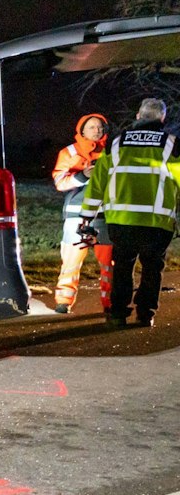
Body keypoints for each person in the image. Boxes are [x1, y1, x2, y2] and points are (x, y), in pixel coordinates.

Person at [80, 98, 180, 328]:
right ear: (162, 119)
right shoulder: (172, 145)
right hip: (157, 222)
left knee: (123, 267)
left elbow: (98, 182)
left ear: (138, 116)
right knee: (152, 268)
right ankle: (146, 314)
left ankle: (118, 314)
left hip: (121, 221)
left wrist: (87, 215)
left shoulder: (116, 143)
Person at [50, 113, 109, 311]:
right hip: (76, 218)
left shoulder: (111, 153)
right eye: (92, 127)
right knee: (70, 263)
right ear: (81, 130)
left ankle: (110, 303)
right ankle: (63, 301)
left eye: (100, 127)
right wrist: (83, 175)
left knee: (110, 264)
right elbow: (60, 183)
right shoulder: (69, 152)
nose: (97, 130)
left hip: (105, 217)